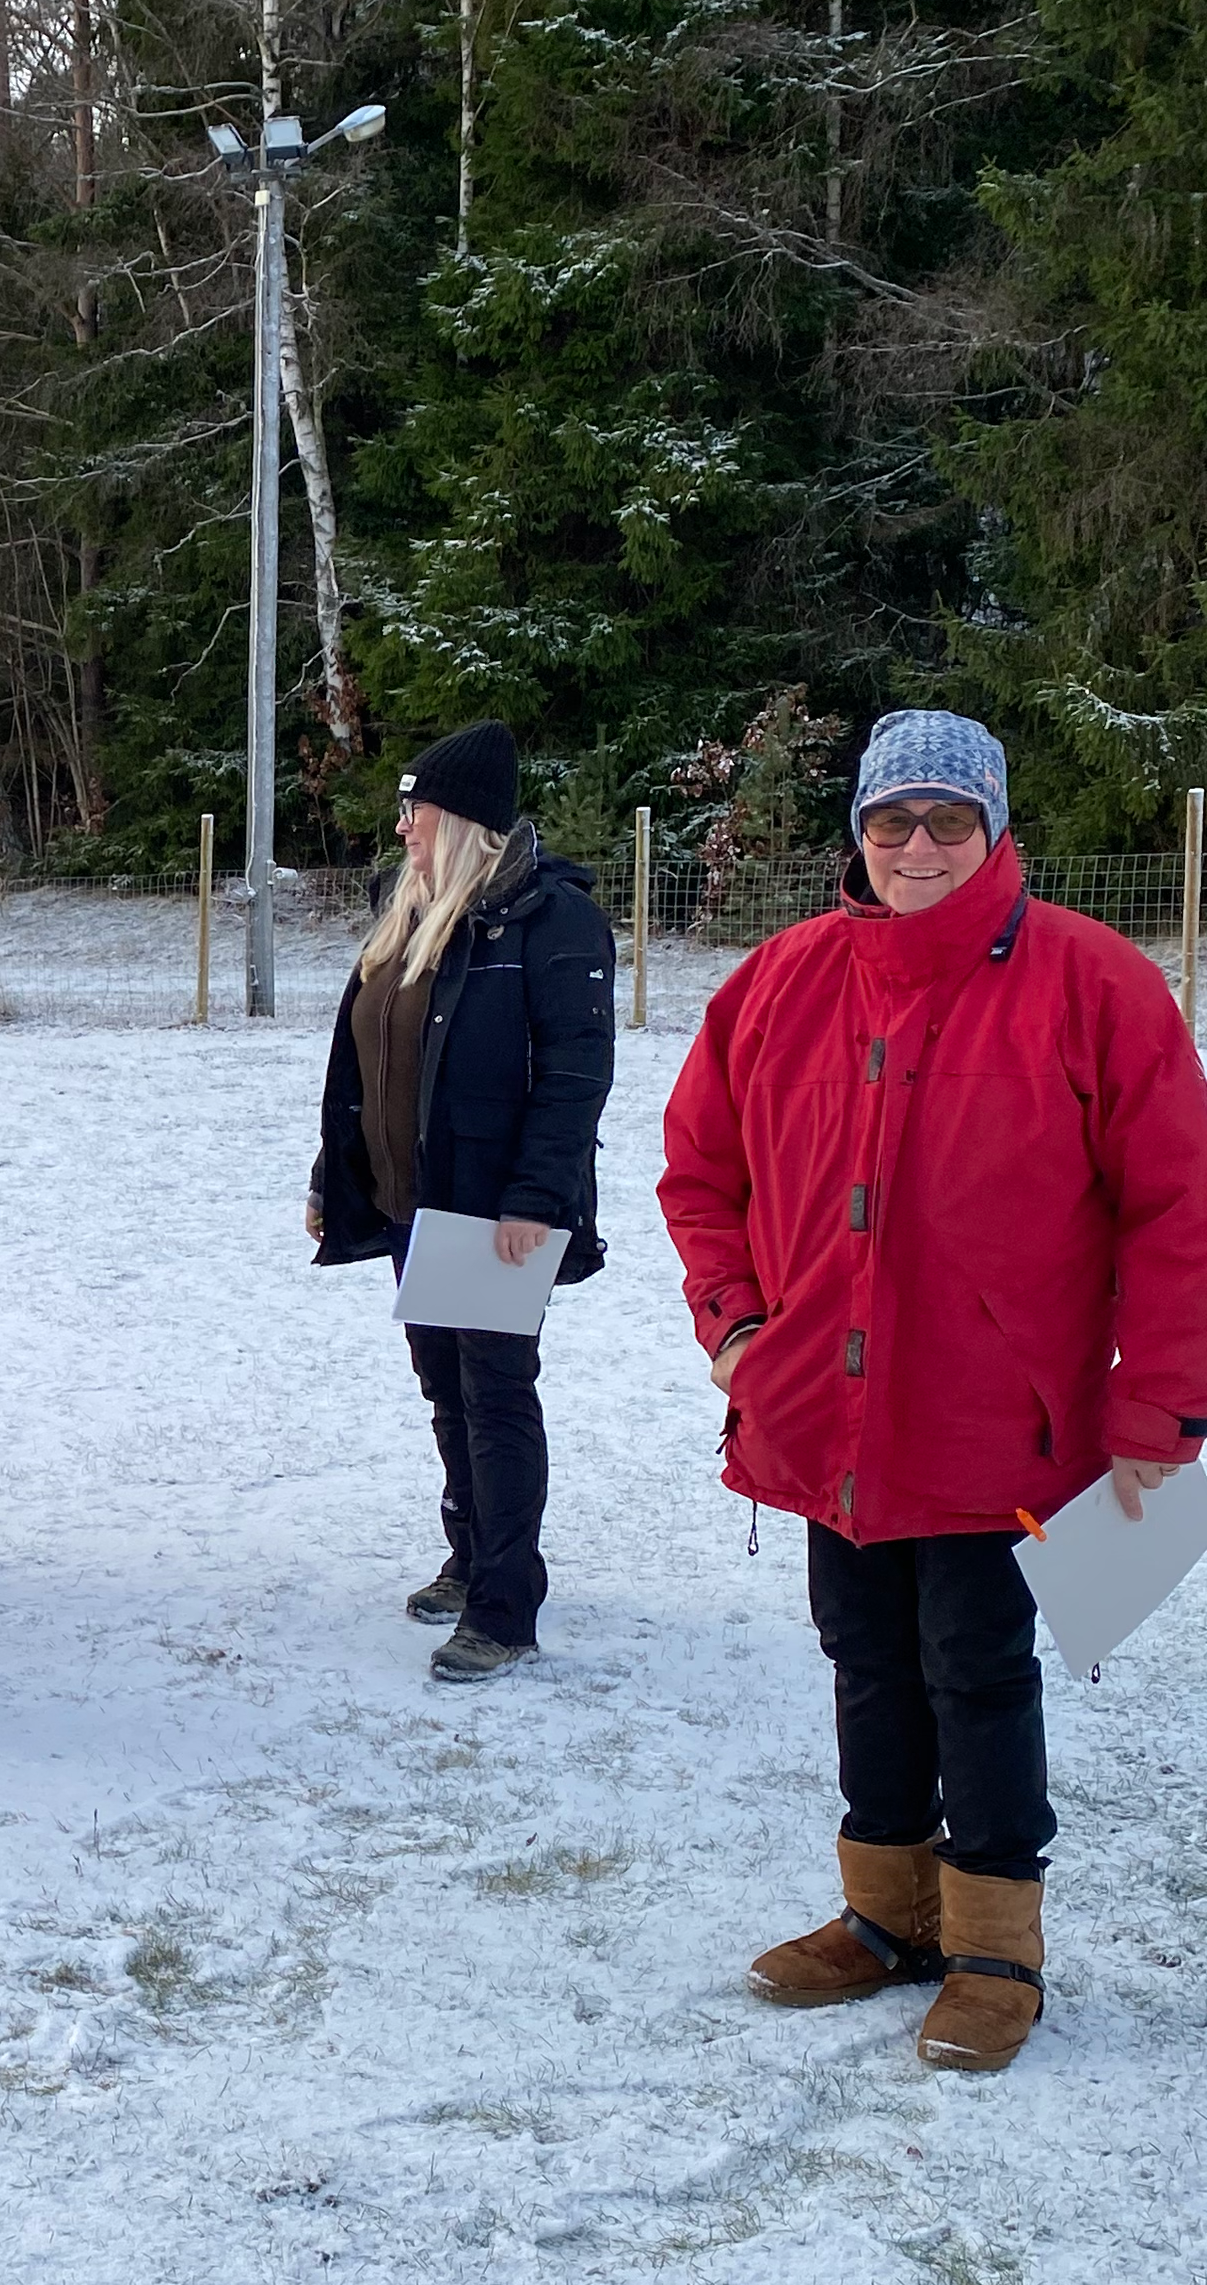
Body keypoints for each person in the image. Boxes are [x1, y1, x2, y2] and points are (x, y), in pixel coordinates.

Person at [660, 710, 1207, 2073]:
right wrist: (733, 1331)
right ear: (858, 832)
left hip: (994, 1425)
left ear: (995, 829)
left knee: (977, 1669)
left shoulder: (1094, 983)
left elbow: (1179, 1211)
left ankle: (995, 1949)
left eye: (947, 820)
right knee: (864, 1661)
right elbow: (699, 1174)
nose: (917, 844)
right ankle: (888, 1915)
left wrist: (1160, 1409)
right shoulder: (778, 981)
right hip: (819, 1416)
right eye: (892, 819)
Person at [306, 720, 616, 1683]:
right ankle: (471, 1551)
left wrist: (536, 1200)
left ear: (464, 821)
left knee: (494, 1395)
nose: (402, 829)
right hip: (412, 1203)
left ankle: (504, 1604)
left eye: (418, 812)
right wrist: (334, 1173)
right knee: (443, 1383)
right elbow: (359, 1060)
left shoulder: (550, 919)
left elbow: (575, 1075)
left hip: (494, 1214)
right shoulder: (405, 910)